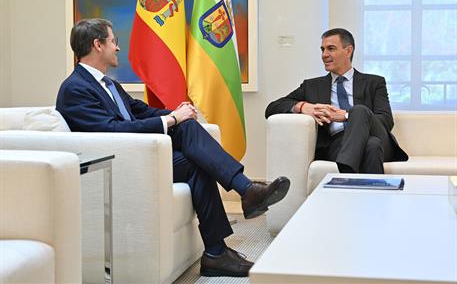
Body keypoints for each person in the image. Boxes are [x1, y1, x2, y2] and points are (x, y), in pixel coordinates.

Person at [56, 18, 290, 277]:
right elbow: (110, 130)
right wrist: (171, 119)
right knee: (186, 135)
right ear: (98, 45)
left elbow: (141, 111)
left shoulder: (109, 84)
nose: (118, 48)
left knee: (194, 154)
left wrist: (177, 113)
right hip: (116, 164)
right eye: (114, 41)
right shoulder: (74, 88)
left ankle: (216, 251)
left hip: (140, 154)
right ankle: (246, 193)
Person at [265, 28, 408, 174]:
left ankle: (345, 172)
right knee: (372, 146)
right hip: (337, 143)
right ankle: (371, 194)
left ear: (348, 51)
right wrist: (302, 106)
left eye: (331, 49)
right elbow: (271, 108)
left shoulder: (374, 82)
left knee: (359, 111)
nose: (324, 55)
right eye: (322, 50)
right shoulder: (312, 86)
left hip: (377, 135)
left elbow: (386, 121)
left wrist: (346, 116)